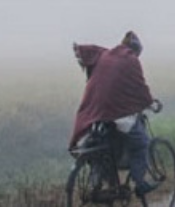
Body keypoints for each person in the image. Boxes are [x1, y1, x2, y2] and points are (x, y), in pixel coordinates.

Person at [70, 30, 163, 197]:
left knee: (100, 147)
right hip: (117, 112)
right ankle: (139, 183)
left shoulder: (105, 55)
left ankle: (99, 182)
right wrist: (150, 103)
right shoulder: (131, 60)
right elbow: (140, 88)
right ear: (136, 50)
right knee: (142, 143)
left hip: (95, 112)